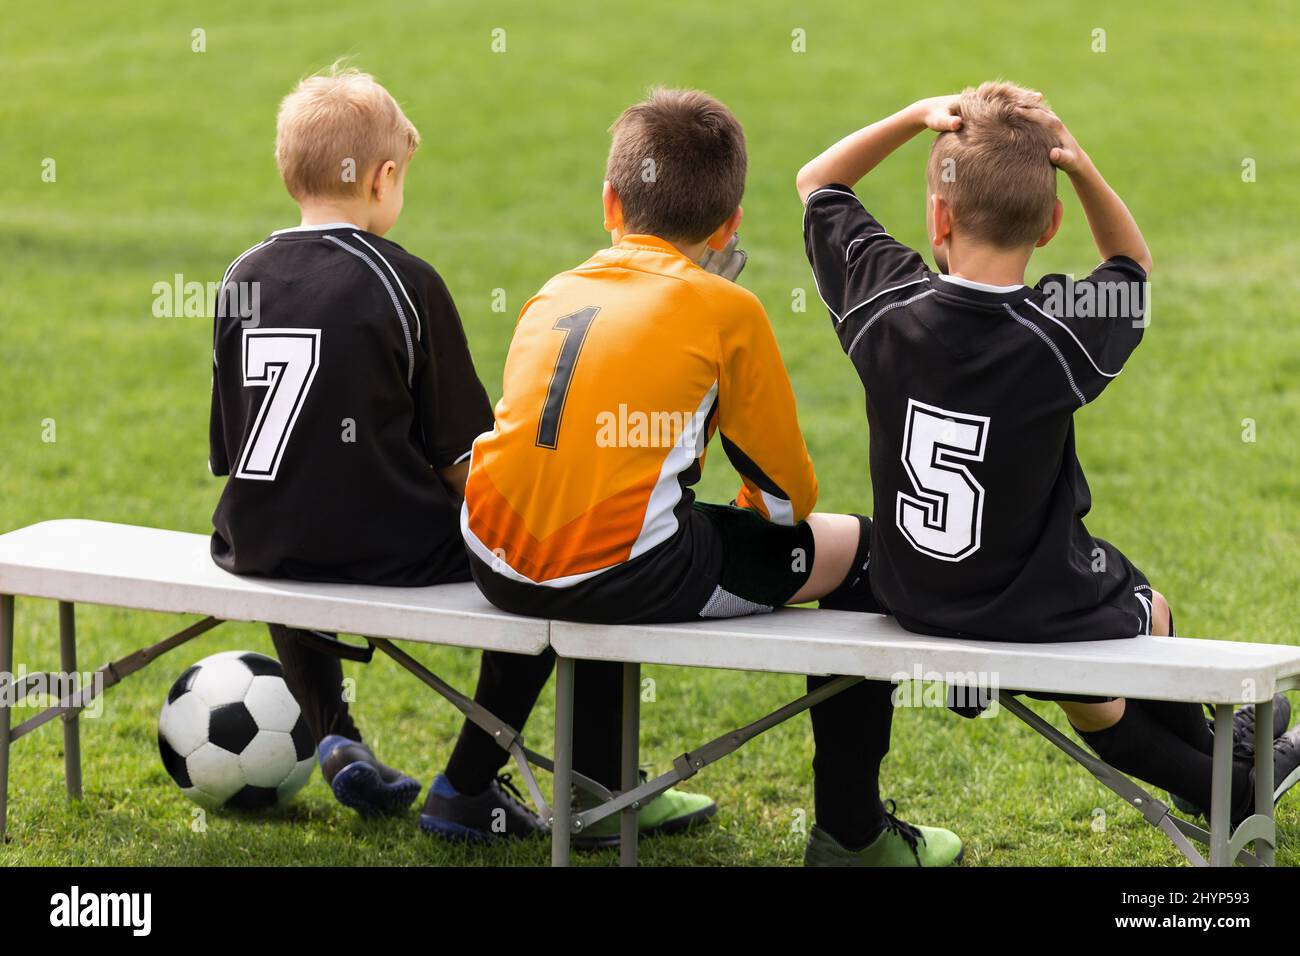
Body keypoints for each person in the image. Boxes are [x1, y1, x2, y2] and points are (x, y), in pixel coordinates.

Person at [428, 88, 962, 865]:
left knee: (596, 524)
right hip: (616, 570)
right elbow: (787, 495)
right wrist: (744, 526)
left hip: (491, 551)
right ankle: (854, 836)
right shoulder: (727, 307)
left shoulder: (555, 290)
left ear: (610, 201)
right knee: (867, 551)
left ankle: (533, 787)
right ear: (730, 225)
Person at [796, 81, 1299, 836]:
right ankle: (1228, 777)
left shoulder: (883, 306)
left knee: (1104, 642)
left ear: (938, 215)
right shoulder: (1059, 332)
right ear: (1052, 223)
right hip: (1030, 605)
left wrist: (912, 116)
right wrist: (1080, 163)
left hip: (914, 592)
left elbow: (818, 181)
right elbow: (1131, 261)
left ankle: (1231, 769)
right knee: (1145, 615)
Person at [209, 65, 494, 818]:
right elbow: (465, 461)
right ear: (383, 179)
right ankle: (472, 779)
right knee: (546, 563)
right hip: (396, 554)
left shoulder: (241, 276)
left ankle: (333, 731)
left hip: (258, 544)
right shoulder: (407, 282)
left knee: (289, 511)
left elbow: (235, 454)